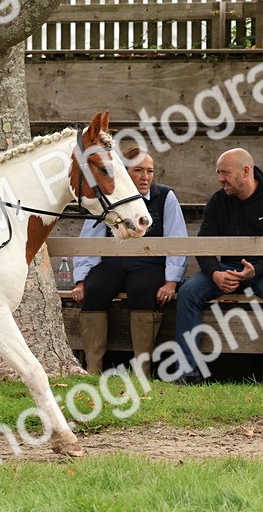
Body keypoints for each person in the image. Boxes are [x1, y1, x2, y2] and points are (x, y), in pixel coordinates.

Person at [173, 148, 263, 383]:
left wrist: (256, 271)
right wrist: (215, 273)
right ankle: (187, 372)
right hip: (228, 266)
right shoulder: (218, 200)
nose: (221, 179)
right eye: (218, 173)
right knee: (188, 292)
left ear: (246, 171)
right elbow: (204, 245)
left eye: (225, 173)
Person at [73, 148, 187, 380]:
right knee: (95, 288)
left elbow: (177, 238)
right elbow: (89, 238)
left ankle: (142, 371)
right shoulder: (108, 197)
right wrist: (81, 280)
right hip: (113, 263)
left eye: (150, 171)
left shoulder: (165, 197)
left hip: (149, 265)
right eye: (139, 171)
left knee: (141, 289)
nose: (146, 176)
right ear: (124, 173)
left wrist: (171, 282)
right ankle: (93, 369)